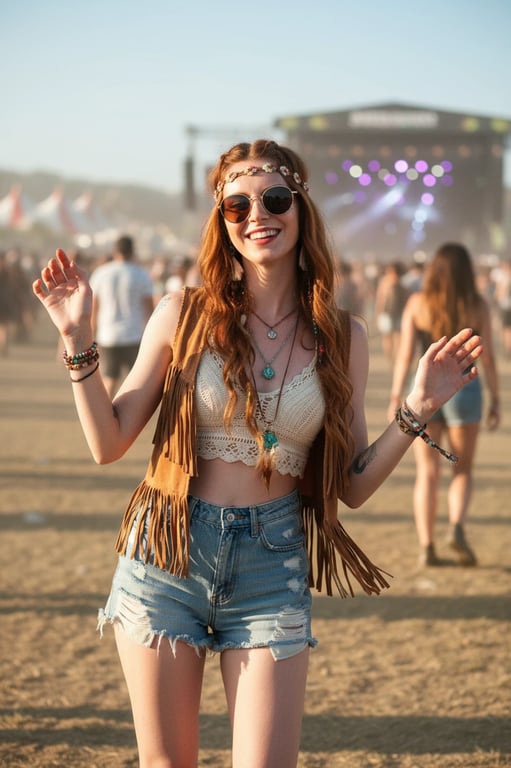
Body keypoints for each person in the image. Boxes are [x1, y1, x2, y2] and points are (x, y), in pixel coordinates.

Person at [33, 140, 483, 768]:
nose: (256, 216)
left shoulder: (343, 335)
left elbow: (350, 484)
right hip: (167, 553)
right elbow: (108, 444)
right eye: (236, 205)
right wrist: (78, 342)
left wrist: (415, 410)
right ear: (222, 222)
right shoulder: (180, 312)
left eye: (273, 199)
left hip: (273, 565)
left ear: (299, 209)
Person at [388, 242, 500, 569]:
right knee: (461, 469)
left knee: (428, 473)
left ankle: (427, 546)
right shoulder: (477, 306)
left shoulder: (418, 304)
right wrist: (496, 399)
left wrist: (397, 397)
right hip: (466, 389)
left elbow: (405, 356)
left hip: (424, 393)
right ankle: (457, 526)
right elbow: (489, 357)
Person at [89, 235, 154, 396]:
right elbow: (149, 309)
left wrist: (92, 336)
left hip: (108, 334)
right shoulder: (141, 274)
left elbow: (94, 309)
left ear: (115, 251)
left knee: (109, 377)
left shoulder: (101, 273)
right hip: (135, 334)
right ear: (133, 251)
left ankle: (103, 416)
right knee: (136, 381)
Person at [375, 260, 410, 363]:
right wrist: (378, 313)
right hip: (387, 313)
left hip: (398, 313)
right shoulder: (386, 283)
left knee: (396, 337)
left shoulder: (400, 283)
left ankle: (394, 357)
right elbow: (380, 299)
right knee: (388, 337)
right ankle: (391, 357)